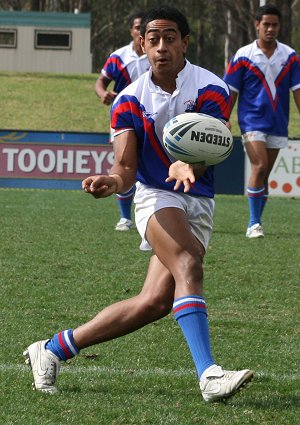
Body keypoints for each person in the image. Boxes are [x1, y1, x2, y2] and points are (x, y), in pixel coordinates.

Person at [23, 6, 253, 403]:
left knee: (154, 302)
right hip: (155, 196)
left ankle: (53, 348)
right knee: (188, 263)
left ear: (185, 42)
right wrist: (111, 181)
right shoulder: (129, 99)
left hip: (198, 200)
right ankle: (209, 376)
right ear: (141, 44)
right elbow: (126, 167)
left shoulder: (212, 88)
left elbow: (216, 145)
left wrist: (191, 162)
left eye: (169, 38)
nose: (161, 47)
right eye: (153, 39)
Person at [223, 4, 300, 239]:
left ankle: (257, 221)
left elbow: (298, 92)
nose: (270, 28)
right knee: (259, 166)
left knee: (265, 174)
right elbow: (231, 91)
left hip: (278, 122)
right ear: (257, 25)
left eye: (274, 24)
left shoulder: (290, 57)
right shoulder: (243, 56)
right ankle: (253, 223)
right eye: (266, 24)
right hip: (251, 121)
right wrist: (223, 117)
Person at [95, 11, 150, 231]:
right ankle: (125, 218)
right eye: (136, 27)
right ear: (131, 30)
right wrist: (102, 94)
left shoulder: (157, 54)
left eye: (142, 28)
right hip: (123, 117)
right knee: (124, 161)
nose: (139, 31)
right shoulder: (118, 56)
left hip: (150, 118)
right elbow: (100, 82)